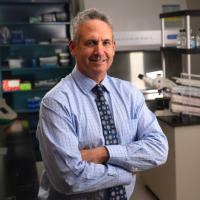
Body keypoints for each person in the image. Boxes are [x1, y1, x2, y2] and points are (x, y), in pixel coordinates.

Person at [36, 8, 168, 200]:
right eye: (91, 43)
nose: (99, 51)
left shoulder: (130, 94)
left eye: (106, 42)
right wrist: (126, 173)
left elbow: (158, 149)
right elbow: (69, 178)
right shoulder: (56, 102)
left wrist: (102, 154)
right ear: (73, 48)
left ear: (113, 47)